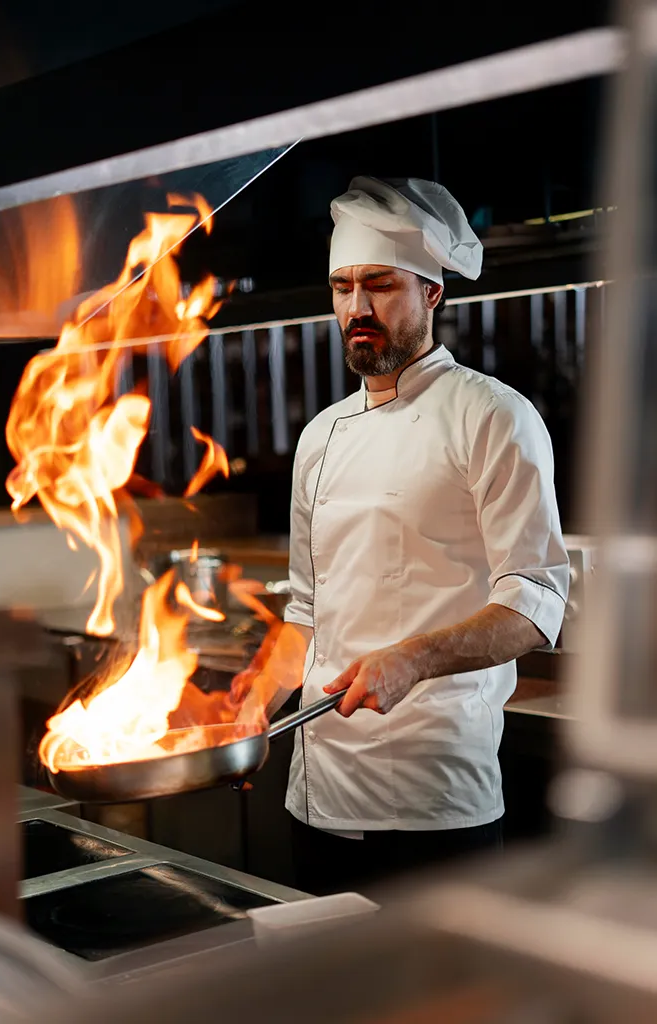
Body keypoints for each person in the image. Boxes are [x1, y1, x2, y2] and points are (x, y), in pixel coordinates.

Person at [283, 176, 569, 896]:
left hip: (434, 799)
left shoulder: (492, 416)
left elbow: (535, 602)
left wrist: (411, 659)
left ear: (432, 293)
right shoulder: (320, 437)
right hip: (317, 791)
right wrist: (238, 711)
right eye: (342, 288)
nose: (357, 308)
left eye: (379, 286)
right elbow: (304, 612)